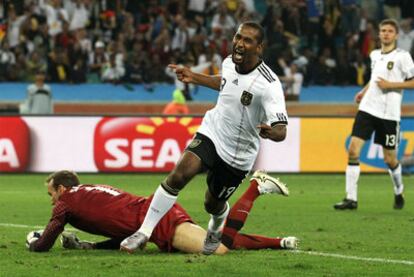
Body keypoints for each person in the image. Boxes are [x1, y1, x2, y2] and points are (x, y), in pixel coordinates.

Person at [121, 21, 288, 255]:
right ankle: (144, 232)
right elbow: (226, 82)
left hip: (238, 154)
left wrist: (273, 132)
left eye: (247, 40)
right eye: (238, 37)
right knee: (180, 173)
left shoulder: (269, 85)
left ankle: (216, 225)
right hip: (212, 132)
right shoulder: (229, 62)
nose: (239, 43)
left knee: (213, 203)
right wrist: (194, 76)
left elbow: (282, 128)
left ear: (259, 47)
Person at [26, 170, 298, 253]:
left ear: (62, 189)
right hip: (153, 217)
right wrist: (90, 246)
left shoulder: (67, 202)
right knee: (215, 241)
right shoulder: (92, 190)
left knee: (217, 249)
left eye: (51, 194)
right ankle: (280, 243)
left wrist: (33, 243)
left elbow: (45, 244)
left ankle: (255, 187)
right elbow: (119, 226)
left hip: (157, 222)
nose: (52, 201)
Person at [334, 19, 414, 211]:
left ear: (395, 35)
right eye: (382, 30)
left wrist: (391, 85)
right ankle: (351, 199)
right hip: (368, 109)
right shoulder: (375, 55)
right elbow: (375, 79)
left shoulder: (403, 57)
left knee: (390, 159)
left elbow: (412, 82)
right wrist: (364, 91)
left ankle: (398, 189)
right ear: (379, 34)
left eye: (389, 31)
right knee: (353, 150)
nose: (385, 34)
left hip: (389, 115)